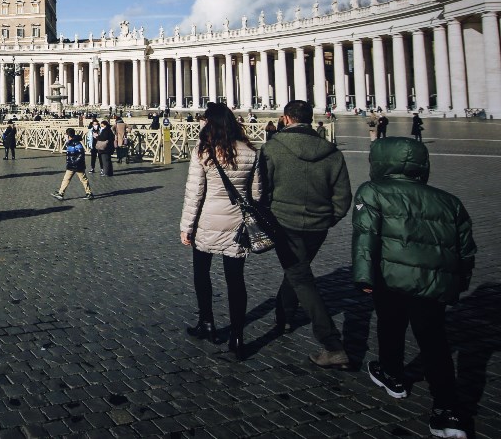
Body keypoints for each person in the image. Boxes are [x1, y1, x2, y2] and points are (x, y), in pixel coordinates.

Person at [352, 137, 475, 439]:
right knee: (435, 341)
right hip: (432, 283)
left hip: (389, 277)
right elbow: (466, 250)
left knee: (390, 325)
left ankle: (392, 374)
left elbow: (365, 239)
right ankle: (447, 410)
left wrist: (364, 278)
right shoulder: (449, 200)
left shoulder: (373, 191)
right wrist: (457, 283)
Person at [260, 100, 353, 368]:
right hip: (318, 226)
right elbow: (343, 196)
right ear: (310, 119)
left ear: (286, 119)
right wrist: (329, 217)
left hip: (284, 223)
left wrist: (268, 217)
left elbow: (262, 189)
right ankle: (284, 315)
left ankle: (332, 344)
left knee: (300, 276)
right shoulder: (331, 151)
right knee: (297, 270)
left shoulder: (273, 148)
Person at [179, 102, 260, 359]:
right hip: (237, 225)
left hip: (207, 222)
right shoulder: (250, 152)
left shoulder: (203, 151)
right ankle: (237, 336)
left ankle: (207, 322)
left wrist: (186, 227)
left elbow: (194, 193)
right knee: (236, 281)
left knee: (202, 275)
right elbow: (256, 195)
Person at [53, 128, 92, 201]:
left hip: (77, 165)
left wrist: (75, 162)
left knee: (83, 179)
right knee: (66, 179)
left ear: (68, 135)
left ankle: (89, 193)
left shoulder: (76, 143)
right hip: (71, 165)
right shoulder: (70, 142)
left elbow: (81, 153)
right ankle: (61, 193)